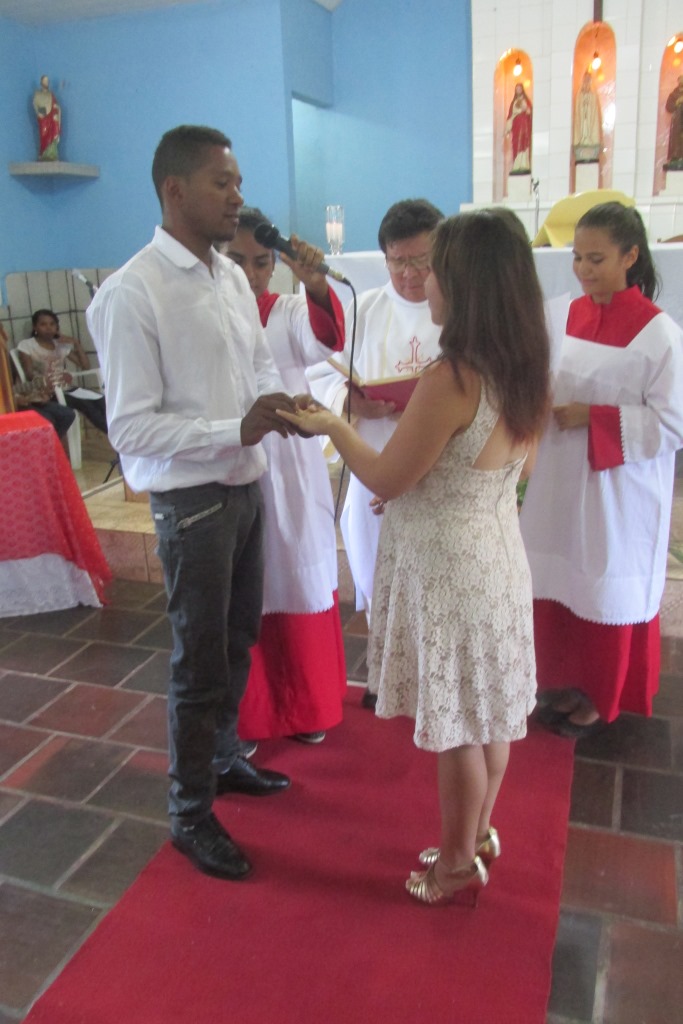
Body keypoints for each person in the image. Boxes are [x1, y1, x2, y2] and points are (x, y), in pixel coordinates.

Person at [278, 209, 550, 905]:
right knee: (485, 710)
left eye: (435, 269)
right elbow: (496, 469)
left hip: (448, 566)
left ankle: (456, 864)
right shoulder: (524, 363)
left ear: (466, 284)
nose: (423, 280)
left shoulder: (452, 375)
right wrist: (412, 486)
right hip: (491, 551)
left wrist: (334, 422)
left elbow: (387, 475)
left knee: (456, 725)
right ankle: (477, 833)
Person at [86, 125, 306, 882]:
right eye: (223, 182)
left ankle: (221, 759)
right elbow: (131, 427)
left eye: (236, 181)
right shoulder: (131, 292)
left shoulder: (228, 276)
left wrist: (275, 405)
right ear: (174, 190)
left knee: (237, 635)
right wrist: (231, 426)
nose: (237, 196)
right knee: (198, 664)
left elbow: (251, 365)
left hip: (244, 488)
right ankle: (187, 813)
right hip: (192, 506)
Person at [520, 202, 683, 738]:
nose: (584, 270)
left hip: (618, 490)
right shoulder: (563, 314)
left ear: (631, 256)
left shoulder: (659, 335)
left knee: (602, 586)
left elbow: (672, 423)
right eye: (577, 259)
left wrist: (595, 418)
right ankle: (557, 679)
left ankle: (598, 695)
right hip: (558, 482)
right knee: (554, 576)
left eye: (596, 258)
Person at [309, 198, 443, 708]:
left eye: (422, 260)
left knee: (432, 579)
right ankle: (385, 671)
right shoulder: (364, 311)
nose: (409, 274)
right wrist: (352, 399)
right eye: (398, 261)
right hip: (375, 458)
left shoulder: (458, 307)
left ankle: (432, 678)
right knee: (378, 567)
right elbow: (320, 371)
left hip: (436, 470)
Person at [224, 207, 347, 744]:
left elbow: (324, 340)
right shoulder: (206, 312)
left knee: (295, 572)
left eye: (261, 262)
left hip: (290, 467)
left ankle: (306, 708)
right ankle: (248, 715)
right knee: (244, 586)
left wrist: (317, 286)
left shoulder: (287, 311)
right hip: (230, 458)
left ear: (275, 265)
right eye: (236, 261)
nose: (250, 274)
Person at [17, 310, 108, 435]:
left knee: (101, 401)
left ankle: (116, 436)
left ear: (57, 327)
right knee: (87, 406)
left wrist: (76, 343)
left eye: (52, 324)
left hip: (66, 388)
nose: (48, 328)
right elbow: (29, 373)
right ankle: (115, 438)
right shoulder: (27, 345)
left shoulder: (60, 345)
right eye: (43, 324)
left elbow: (85, 366)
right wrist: (47, 380)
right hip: (47, 391)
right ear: (35, 327)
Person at [573, 71, 601, 163]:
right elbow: (578, 109)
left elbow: (593, 109)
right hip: (583, 118)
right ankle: (583, 138)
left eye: (588, 80)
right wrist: (583, 105)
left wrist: (587, 105)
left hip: (589, 118)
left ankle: (589, 138)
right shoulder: (579, 94)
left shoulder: (592, 94)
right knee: (583, 126)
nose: (586, 82)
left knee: (588, 125)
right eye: (585, 79)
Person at [33, 75, 61, 161]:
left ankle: (51, 153)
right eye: (45, 81)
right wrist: (38, 113)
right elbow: (35, 105)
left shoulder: (51, 94)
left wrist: (57, 109)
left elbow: (55, 105)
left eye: (47, 81)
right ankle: (43, 153)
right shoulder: (37, 94)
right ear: (41, 82)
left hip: (51, 118)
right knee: (43, 134)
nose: (47, 83)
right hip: (43, 118)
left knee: (54, 129)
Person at [505, 83, 532, 173]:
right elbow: (510, 116)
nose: (518, 90)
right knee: (516, 144)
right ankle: (516, 164)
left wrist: (526, 109)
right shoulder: (513, 103)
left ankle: (524, 164)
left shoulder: (526, 101)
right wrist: (507, 128)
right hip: (516, 125)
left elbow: (529, 112)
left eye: (520, 89)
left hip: (524, 125)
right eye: (517, 89)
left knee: (523, 143)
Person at [664, 75, 683, 170]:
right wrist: (677, 102)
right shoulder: (673, 94)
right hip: (677, 121)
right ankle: (676, 156)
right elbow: (668, 107)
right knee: (676, 140)